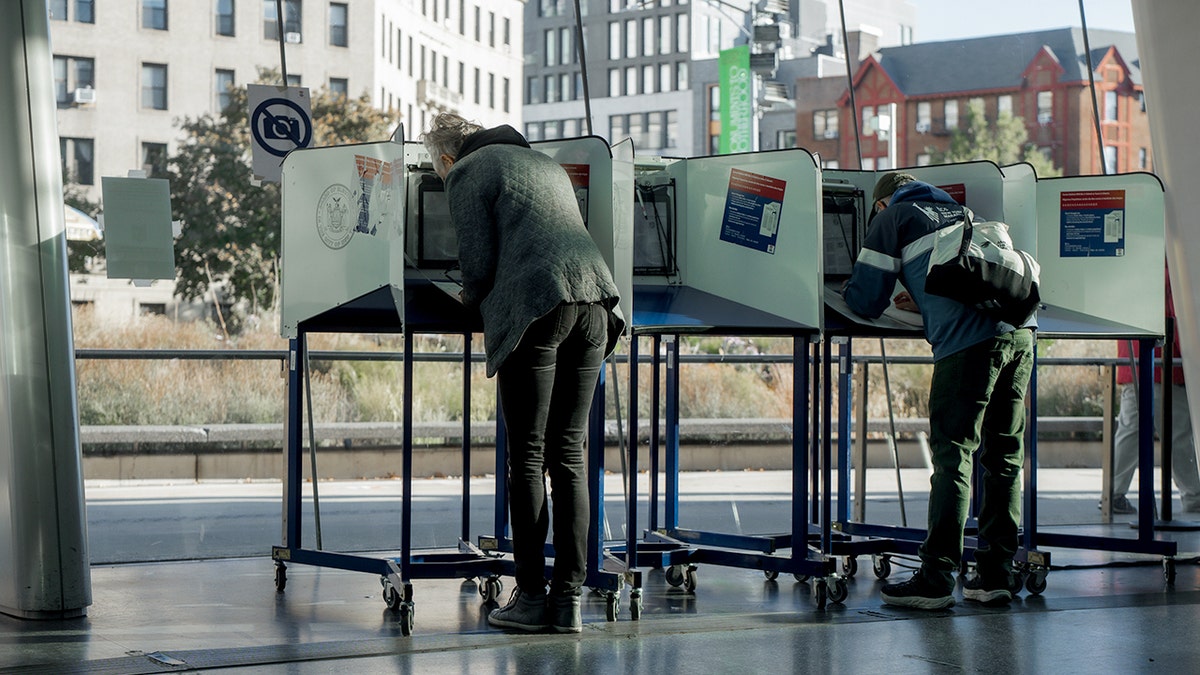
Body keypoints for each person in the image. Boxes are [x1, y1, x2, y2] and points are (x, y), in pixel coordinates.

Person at [421, 113, 624, 633]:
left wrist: (464, 297)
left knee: (528, 456)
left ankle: (531, 598)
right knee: (569, 455)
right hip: (595, 304)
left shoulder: (469, 171)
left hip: (538, 305)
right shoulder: (542, 163)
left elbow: (480, 263)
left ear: (446, 159)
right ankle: (568, 601)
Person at [842, 172, 1036, 609]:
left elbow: (865, 299)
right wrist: (920, 289)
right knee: (1004, 458)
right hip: (1021, 334)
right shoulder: (962, 212)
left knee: (954, 457)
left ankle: (935, 578)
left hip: (969, 343)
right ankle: (995, 576)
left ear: (880, 204)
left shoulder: (894, 216)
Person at [1108, 272, 1200, 515]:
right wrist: (1189, 358)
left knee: (1130, 431)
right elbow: (1176, 318)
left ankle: (1112, 494)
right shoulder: (1171, 267)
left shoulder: (1133, 269)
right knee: (1178, 434)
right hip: (1164, 365)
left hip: (1133, 363)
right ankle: (1194, 496)